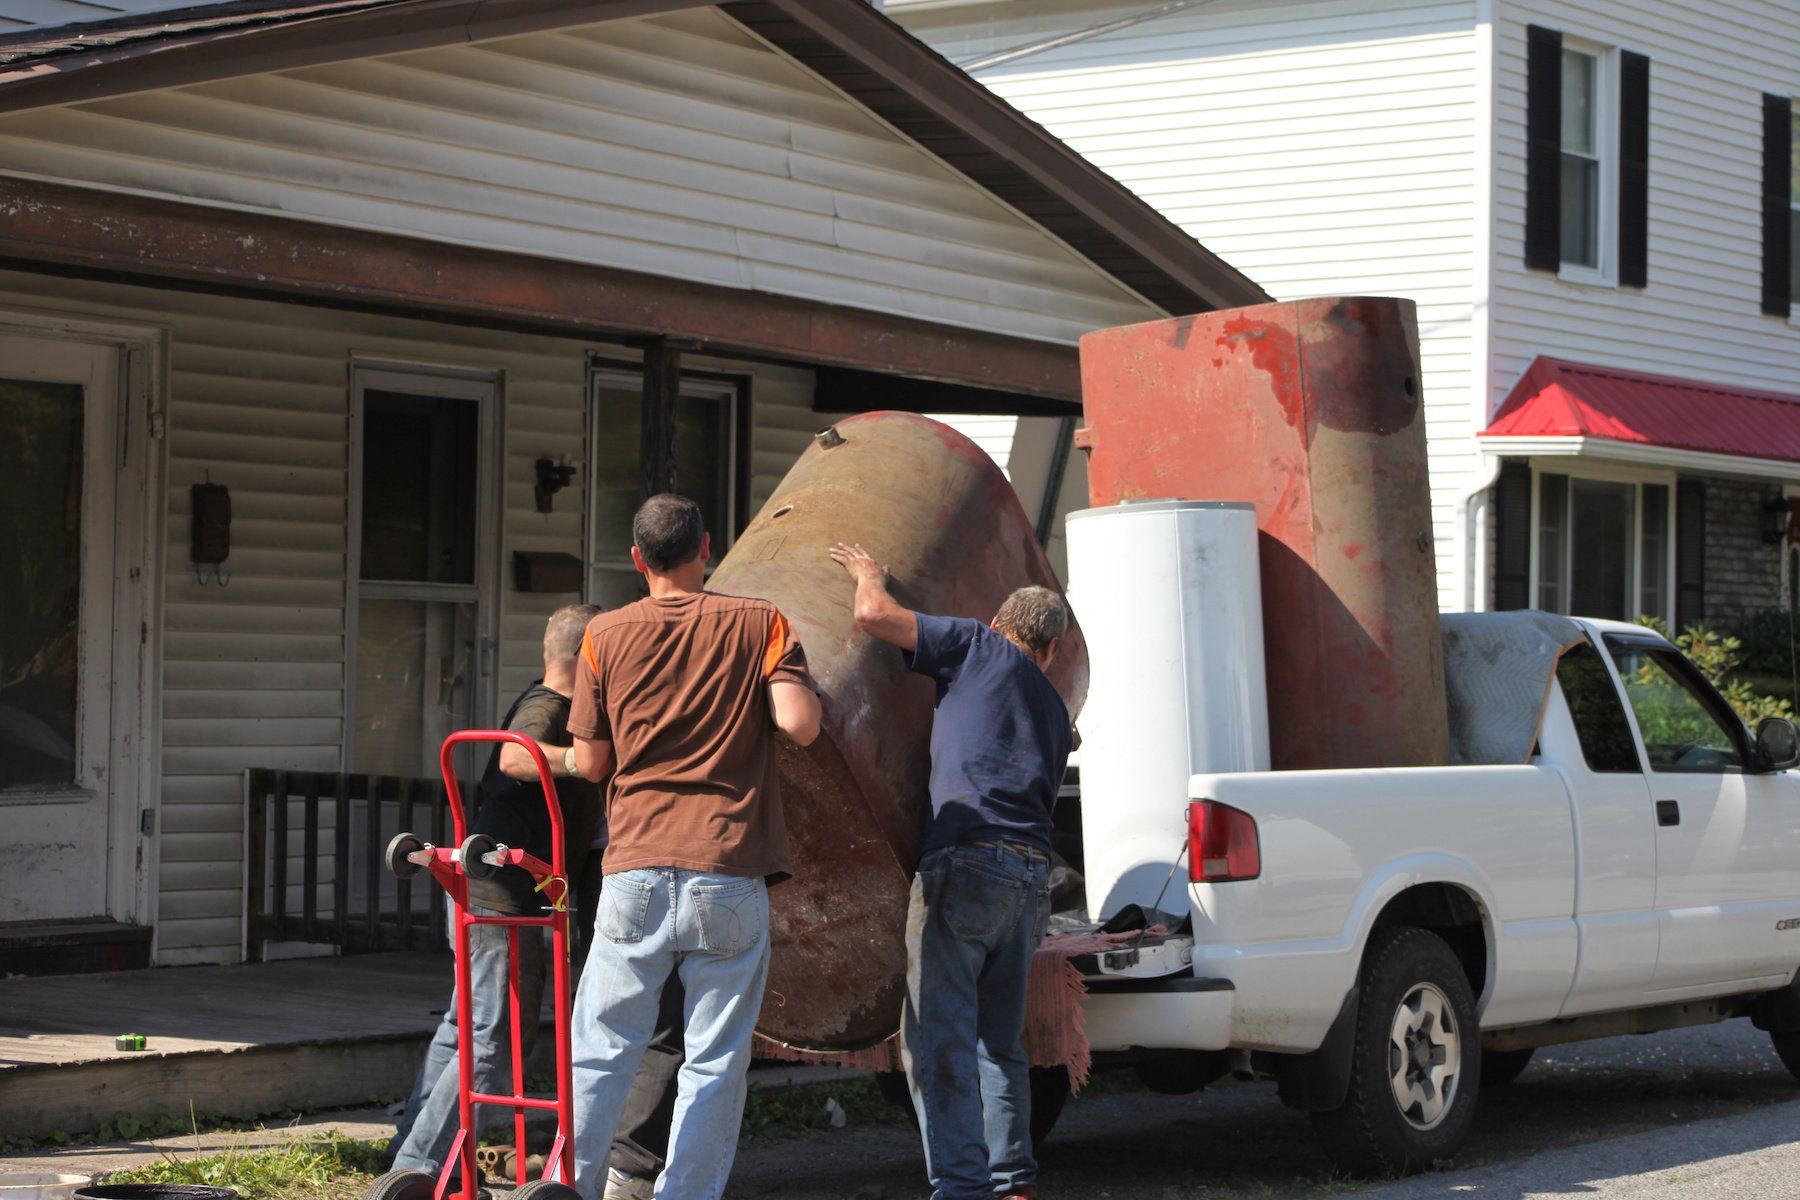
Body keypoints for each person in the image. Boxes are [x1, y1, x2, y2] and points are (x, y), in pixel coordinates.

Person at [567, 493, 822, 1200]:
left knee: (600, 1052)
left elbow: (590, 766)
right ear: (706, 548)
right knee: (714, 1061)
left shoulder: (603, 636)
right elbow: (799, 724)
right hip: (728, 869)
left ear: (636, 559)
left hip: (633, 869)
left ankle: (572, 1189)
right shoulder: (761, 622)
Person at [830, 543, 1074, 1200]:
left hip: (968, 861)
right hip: (1027, 882)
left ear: (1000, 627)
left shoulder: (975, 646)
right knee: (1001, 1042)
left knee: (938, 1037)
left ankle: (963, 1189)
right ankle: (1011, 1183)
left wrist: (867, 574)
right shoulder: (1055, 712)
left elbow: (875, 617)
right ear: (1048, 650)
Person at [384, 604, 603, 1179]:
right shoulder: (549, 708)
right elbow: (515, 756)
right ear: (586, 660)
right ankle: (420, 1166)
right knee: (491, 1042)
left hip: (491, 891)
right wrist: (584, 761)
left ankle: (409, 1151)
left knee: (464, 1027)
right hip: (511, 896)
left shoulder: (542, 698)